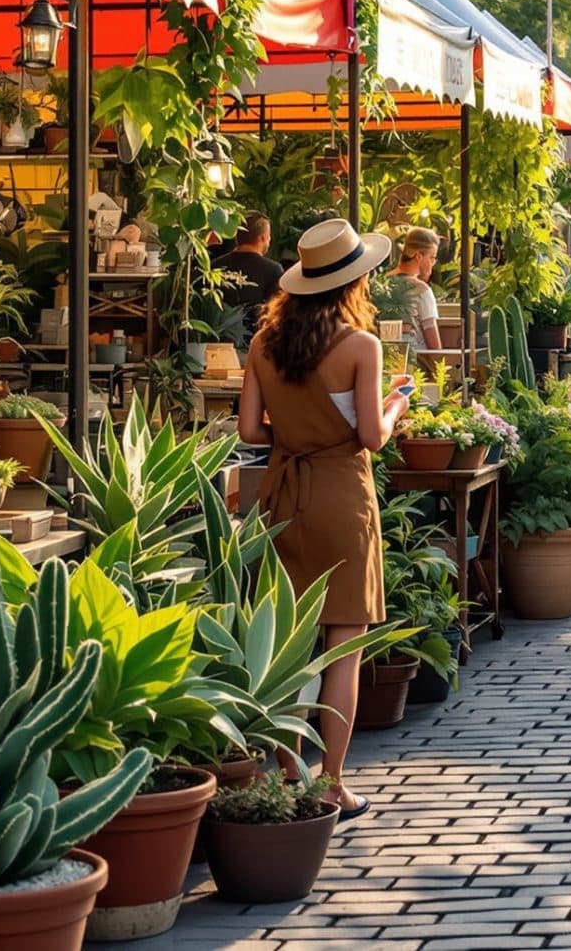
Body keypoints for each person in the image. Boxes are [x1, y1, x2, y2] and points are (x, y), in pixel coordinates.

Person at [239, 219, 413, 818]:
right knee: (344, 645)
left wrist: (295, 432)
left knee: (287, 640)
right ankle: (332, 782)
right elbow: (371, 437)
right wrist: (395, 406)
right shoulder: (361, 347)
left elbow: (247, 431)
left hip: (283, 493)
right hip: (341, 493)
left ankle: (289, 771)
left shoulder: (264, 345)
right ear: (352, 283)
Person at [216, 212, 285, 324]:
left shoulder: (215, 266)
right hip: (257, 337)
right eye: (269, 237)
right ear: (263, 238)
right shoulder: (273, 270)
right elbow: (276, 312)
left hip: (218, 338)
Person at [395, 226, 445, 358]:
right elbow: (434, 346)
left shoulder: (380, 284)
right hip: (416, 366)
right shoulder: (421, 291)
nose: (433, 264)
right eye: (432, 258)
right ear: (418, 256)